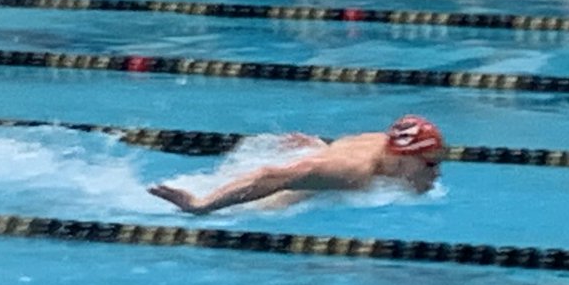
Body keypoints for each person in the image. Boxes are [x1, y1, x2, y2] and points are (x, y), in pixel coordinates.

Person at [148, 115, 445, 215]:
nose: (436, 173)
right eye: (430, 164)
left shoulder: (382, 142)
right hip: (269, 196)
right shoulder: (353, 171)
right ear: (405, 158)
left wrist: (320, 150)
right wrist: (202, 204)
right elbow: (270, 176)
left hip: (311, 163)